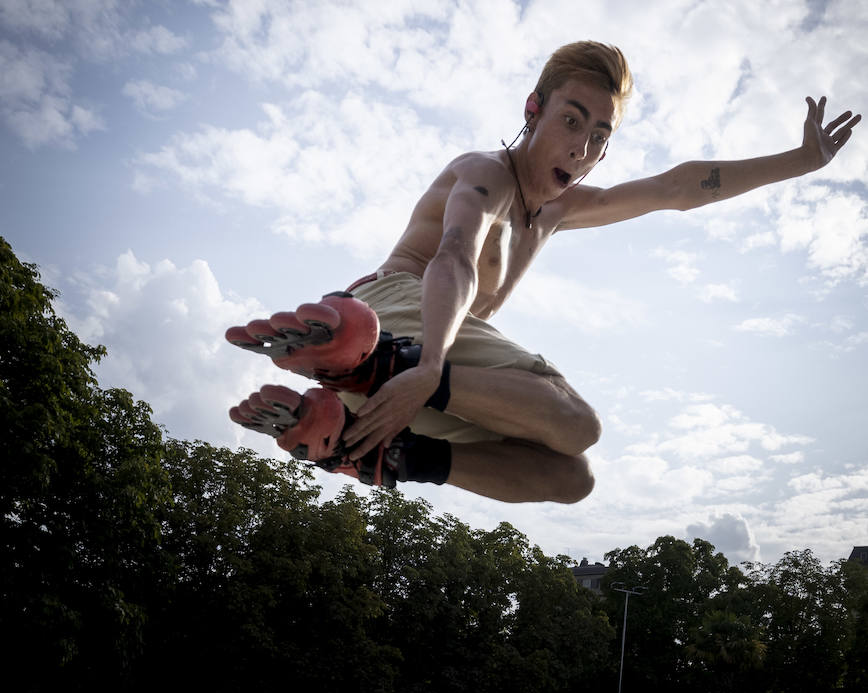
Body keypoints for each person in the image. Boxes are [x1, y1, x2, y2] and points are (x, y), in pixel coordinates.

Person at [226, 42, 860, 500]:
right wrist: (423, 368)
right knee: (579, 422)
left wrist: (801, 161)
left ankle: (381, 451)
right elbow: (454, 256)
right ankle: (370, 363)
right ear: (534, 108)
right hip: (399, 311)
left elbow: (677, 186)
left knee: (570, 475)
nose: (582, 149)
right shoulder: (486, 173)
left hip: (418, 365)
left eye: (599, 136)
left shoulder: (557, 211)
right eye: (571, 121)